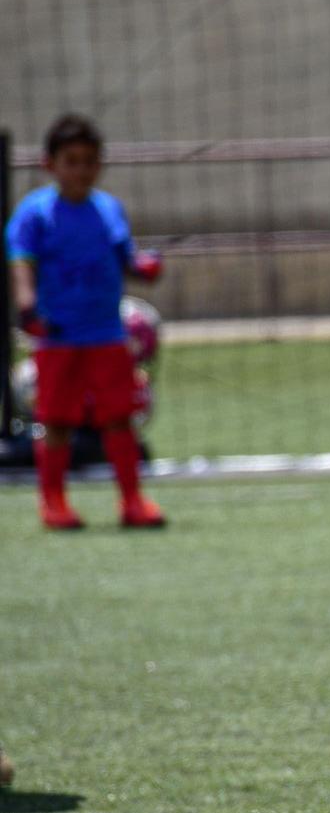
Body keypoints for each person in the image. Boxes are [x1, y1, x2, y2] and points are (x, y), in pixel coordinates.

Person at [5, 114, 165, 530]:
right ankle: (54, 503)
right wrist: (27, 306)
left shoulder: (108, 209)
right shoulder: (35, 213)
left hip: (108, 334)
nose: (80, 169)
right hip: (58, 336)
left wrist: (142, 266)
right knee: (56, 421)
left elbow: (123, 256)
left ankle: (132, 501)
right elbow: (21, 261)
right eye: (71, 160)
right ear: (50, 164)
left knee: (118, 419)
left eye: (89, 161)